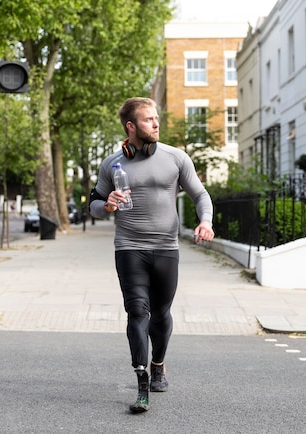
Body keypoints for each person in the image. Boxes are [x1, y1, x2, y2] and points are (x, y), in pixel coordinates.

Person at [89, 97, 215, 413]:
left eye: (156, 118)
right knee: (136, 313)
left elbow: (200, 194)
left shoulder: (176, 158)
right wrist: (107, 205)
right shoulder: (112, 164)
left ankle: (158, 363)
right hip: (129, 248)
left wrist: (205, 222)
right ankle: (141, 380)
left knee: (160, 314)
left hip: (166, 249)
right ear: (130, 127)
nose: (156, 124)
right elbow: (93, 205)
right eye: (148, 119)